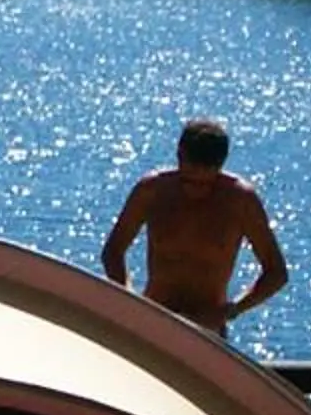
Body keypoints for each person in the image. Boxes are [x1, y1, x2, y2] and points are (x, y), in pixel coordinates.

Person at [101, 117, 289, 338]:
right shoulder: (152, 190)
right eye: (188, 181)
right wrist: (131, 299)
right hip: (154, 320)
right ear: (179, 157)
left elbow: (276, 272)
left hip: (207, 333)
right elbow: (113, 252)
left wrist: (232, 309)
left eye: (205, 184)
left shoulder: (240, 200)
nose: (196, 191)